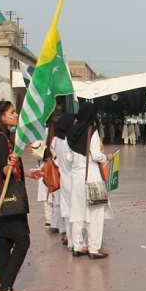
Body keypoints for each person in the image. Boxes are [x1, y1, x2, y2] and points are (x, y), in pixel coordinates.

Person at [0, 100, 29, 291]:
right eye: (12, 112)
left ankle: (6, 286)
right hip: (8, 197)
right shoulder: (2, 139)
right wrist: (10, 163)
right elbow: (4, 169)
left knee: (4, 243)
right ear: (2, 116)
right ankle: (5, 287)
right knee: (22, 241)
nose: (16, 114)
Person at [66, 101, 111, 259]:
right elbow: (96, 155)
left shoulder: (71, 133)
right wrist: (107, 157)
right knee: (95, 213)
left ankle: (78, 246)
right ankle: (93, 248)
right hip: (91, 175)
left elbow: (68, 157)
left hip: (76, 177)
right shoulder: (92, 131)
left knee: (77, 212)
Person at [54, 113, 75, 248]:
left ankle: (70, 242)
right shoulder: (68, 140)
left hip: (63, 178)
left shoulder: (57, 141)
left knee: (66, 211)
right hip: (72, 178)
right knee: (75, 211)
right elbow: (70, 158)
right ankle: (75, 240)